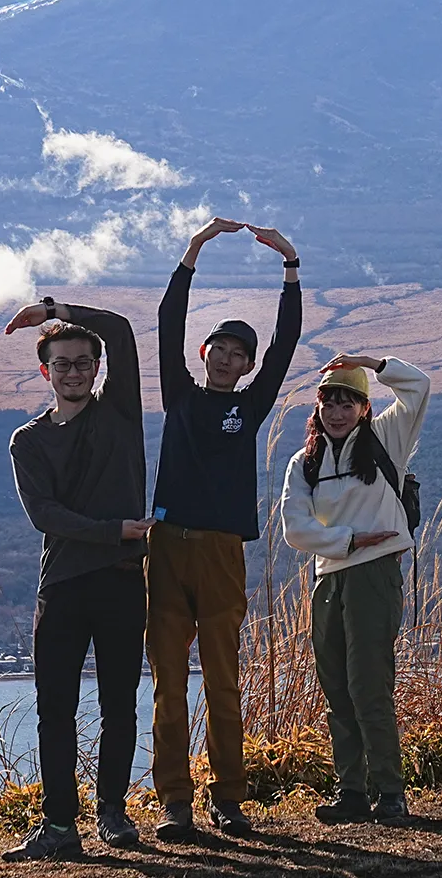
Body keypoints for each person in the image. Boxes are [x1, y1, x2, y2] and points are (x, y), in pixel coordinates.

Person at [147, 217, 302, 841]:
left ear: (246, 367)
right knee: (166, 686)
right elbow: (165, 325)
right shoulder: (178, 395)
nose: (229, 360)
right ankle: (175, 803)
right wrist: (191, 253)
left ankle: (229, 799)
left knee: (222, 680)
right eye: (221, 350)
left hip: (219, 553)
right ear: (204, 353)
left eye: (242, 355)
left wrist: (291, 267)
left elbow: (286, 344)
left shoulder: (250, 404)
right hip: (165, 548)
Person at [0, 295, 152, 861]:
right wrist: (116, 530)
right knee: (54, 706)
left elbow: (121, 329)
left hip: (118, 582)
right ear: (46, 372)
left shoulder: (119, 412)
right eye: (61, 363)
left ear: (97, 367)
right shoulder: (28, 441)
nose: (72, 371)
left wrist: (53, 309)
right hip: (62, 584)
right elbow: (46, 515)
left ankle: (113, 813)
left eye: (82, 362)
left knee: (120, 701)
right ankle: (59, 825)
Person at [278, 350, 430, 824]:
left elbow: (419, 386)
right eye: (329, 403)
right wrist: (347, 540)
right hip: (329, 576)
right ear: (317, 407)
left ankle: (390, 793)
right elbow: (293, 528)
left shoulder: (388, 438)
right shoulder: (304, 462)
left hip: (374, 575)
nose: (338, 412)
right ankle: (352, 794)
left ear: (365, 408)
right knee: (337, 689)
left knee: (369, 686)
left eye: (348, 403)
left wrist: (368, 362)